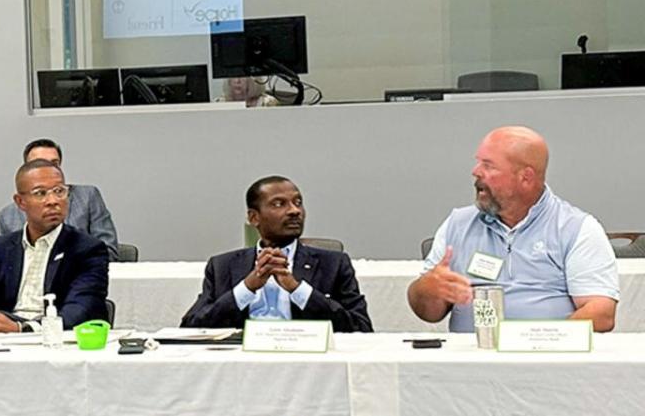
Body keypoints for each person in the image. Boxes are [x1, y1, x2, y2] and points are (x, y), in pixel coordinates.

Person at [408, 126, 619, 332]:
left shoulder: (576, 228)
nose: (475, 172)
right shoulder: (458, 224)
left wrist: (534, 342)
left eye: (488, 166)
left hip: (548, 361)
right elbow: (429, 313)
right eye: (478, 163)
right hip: (470, 360)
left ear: (525, 178)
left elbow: (601, 313)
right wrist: (427, 289)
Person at [181, 176, 372, 332]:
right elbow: (191, 328)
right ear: (254, 217)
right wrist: (247, 287)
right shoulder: (223, 266)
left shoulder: (333, 263)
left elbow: (361, 327)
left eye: (298, 203)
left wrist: (297, 289)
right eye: (279, 204)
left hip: (308, 362)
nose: (295, 211)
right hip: (242, 364)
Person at [0, 159, 109, 333]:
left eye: (59, 191)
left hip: (56, 342)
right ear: (20, 202)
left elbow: (78, 312)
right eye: (40, 193)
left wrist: (20, 328)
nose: (53, 201)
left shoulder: (88, 249)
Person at [0, 139, 120, 260]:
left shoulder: (87, 197)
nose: (48, 170)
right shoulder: (8, 216)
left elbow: (108, 250)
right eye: (40, 164)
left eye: (54, 163)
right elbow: (9, 264)